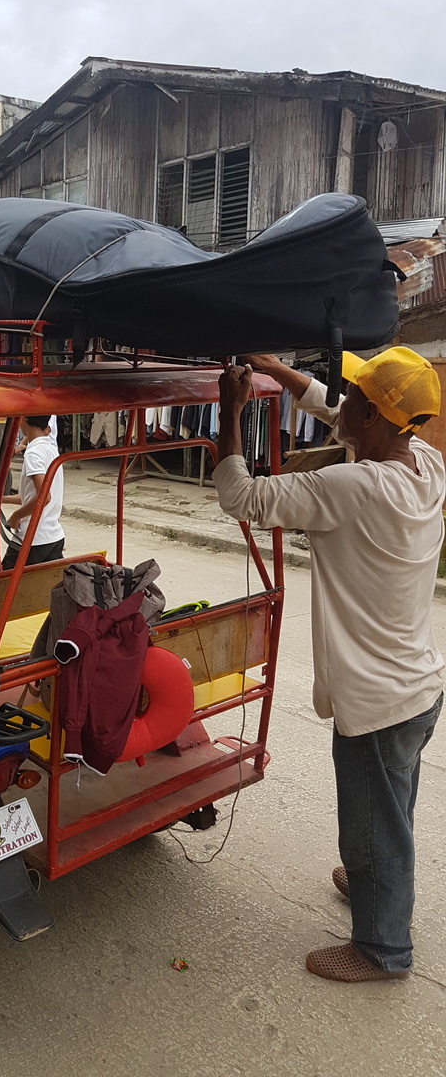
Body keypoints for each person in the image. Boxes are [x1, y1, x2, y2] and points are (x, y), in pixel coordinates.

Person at [214, 348, 443, 983]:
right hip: (417, 688)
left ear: (375, 417)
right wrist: (274, 369)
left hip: (378, 701)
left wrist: (231, 408)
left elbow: (238, 494)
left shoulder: (352, 487)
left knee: (373, 822)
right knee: (392, 807)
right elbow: (331, 408)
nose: (345, 398)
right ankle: (379, 880)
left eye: (359, 394)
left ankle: (383, 949)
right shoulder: (424, 462)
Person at [2, 415, 64, 570]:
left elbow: (44, 497)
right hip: (53, 537)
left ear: (23, 420)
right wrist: (1, 499)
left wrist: (16, 516)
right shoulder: (51, 450)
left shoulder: (33, 453)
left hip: (32, 539)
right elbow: (30, 496)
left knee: (2, 588)